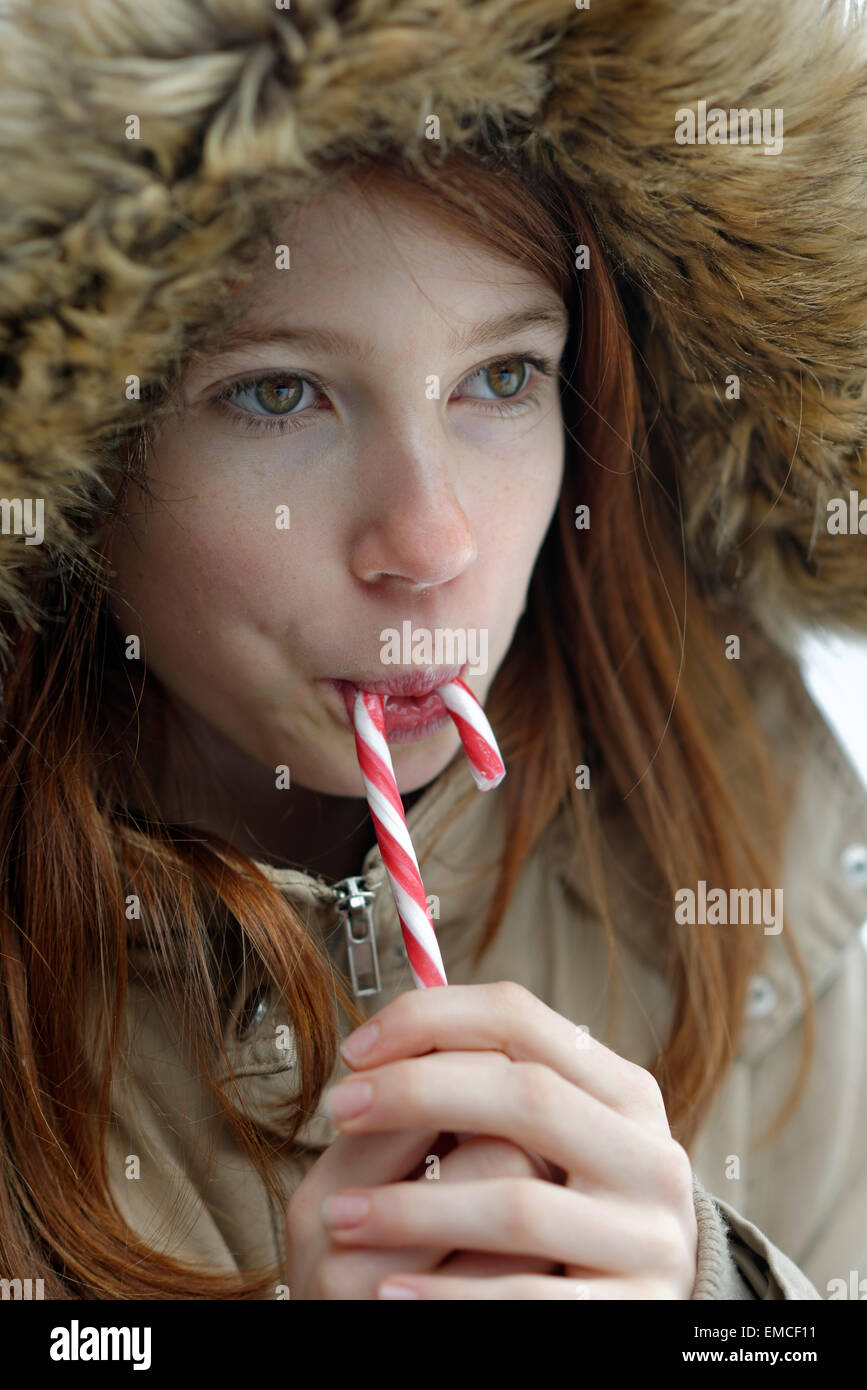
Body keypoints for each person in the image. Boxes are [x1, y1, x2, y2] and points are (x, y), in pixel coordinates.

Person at [1, 0, 866, 1302]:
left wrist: (723, 1303)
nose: (429, 538)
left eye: (504, 377)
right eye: (278, 392)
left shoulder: (742, 816)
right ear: (80, 453)